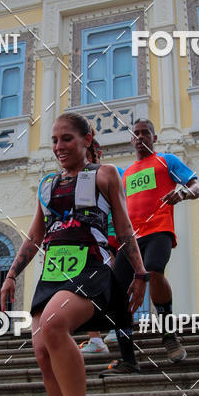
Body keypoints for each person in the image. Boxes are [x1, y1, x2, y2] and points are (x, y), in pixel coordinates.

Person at [0, 112, 148, 396]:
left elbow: (124, 228)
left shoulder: (105, 174)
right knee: (42, 351)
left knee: (54, 324)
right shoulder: (46, 185)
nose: (59, 146)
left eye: (66, 138)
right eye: (54, 140)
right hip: (53, 274)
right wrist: (11, 274)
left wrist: (141, 273)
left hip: (92, 266)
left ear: (87, 139)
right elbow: (35, 237)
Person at [103, 118, 199, 375]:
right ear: (131, 139)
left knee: (154, 270)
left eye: (145, 133)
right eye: (135, 133)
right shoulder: (126, 174)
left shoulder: (166, 161)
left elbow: (197, 186)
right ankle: (128, 358)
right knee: (116, 294)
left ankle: (169, 335)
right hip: (130, 239)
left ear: (154, 137)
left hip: (159, 230)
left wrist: (182, 193)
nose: (140, 137)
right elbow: (118, 210)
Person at [79, 141, 124, 358]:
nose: (86, 160)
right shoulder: (80, 179)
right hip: (89, 240)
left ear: (98, 153)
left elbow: (126, 203)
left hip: (113, 236)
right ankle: (95, 338)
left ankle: (116, 326)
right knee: (87, 286)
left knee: (112, 280)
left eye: (89, 155)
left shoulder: (113, 173)